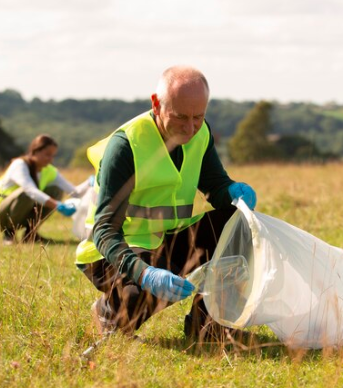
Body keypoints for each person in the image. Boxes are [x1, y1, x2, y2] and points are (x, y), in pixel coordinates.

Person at [75, 65, 257, 342]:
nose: (190, 127)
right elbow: (104, 232)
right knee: (137, 300)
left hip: (165, 243)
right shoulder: (125, 147)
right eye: (181, 116)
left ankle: (208, 325)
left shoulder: (199, 134)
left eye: (199, 117)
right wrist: (144, 273)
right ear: (156, 104)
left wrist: (232, 191)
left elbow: (216, 187)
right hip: (115, 253)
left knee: (238, 222)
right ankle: (108, 311)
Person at [0, 134, 87, 245]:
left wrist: (91, 183)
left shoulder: (49, 170)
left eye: (53, 156)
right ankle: (9, 234)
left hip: (21, 213)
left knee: (56, 190)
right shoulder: (19, 165)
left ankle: (30, 234)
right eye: (47, 155)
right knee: (26, 193)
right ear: (35, 151)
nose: (50, 159)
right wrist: (57, 205)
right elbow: (30, 190)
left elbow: (74, 191)